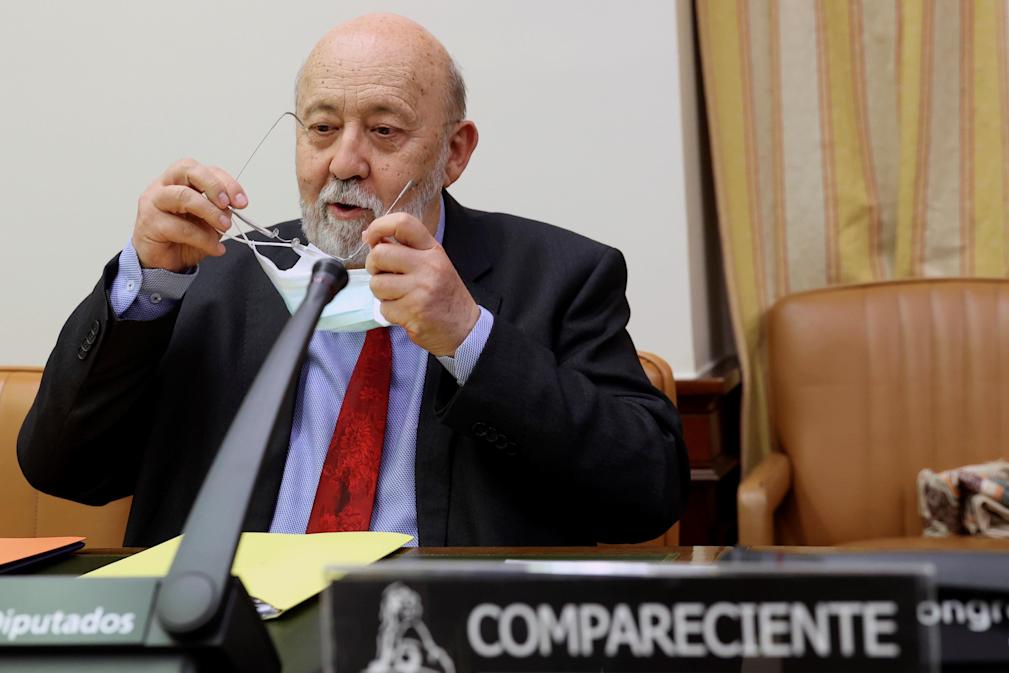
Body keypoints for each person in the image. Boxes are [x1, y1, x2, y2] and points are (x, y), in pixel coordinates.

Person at [17, 13, 688, 547]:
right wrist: (148, 285)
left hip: (439, 657)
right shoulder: (215, 275)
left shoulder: (561, 276)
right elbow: (63, 469)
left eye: (385, 130)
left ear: (454, 151)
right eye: (323, 128)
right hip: (226, 648)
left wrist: (468, 335)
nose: (345, 161)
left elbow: (645, 497)